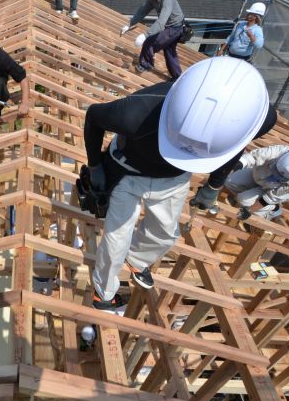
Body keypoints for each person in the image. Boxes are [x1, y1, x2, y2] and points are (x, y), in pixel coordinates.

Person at [84, 57, 270, 310]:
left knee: (165, 233)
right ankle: (104, 293)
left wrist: (214, 185)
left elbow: (235, 149)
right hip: (126, 171)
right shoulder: (135, 112)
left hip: (174, 178)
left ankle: (137, 260)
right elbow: (93, 117)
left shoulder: (253, 116)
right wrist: (95, 166)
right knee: (117, 237)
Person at [121, 0, 185, 78]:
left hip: (175, 28)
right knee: (169, 51)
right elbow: (142, 11)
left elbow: (161, 23)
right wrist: (129, 24)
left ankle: (146, 65)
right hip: (169, 26)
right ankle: (177, 76)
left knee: (150, 43)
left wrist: (145, 35)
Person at [224, 145, 289, 220]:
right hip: (256, 176)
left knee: (244, 201)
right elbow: (251, 158)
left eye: (280, 175)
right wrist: (234, 167)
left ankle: (272, 210)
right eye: (276, 170)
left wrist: (249, 211)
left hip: (269, 190)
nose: (276, 174)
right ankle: (249, 193)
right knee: (228, 180)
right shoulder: (278, 151)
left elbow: (271, 197)